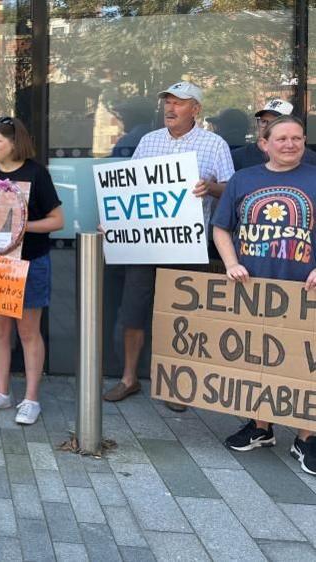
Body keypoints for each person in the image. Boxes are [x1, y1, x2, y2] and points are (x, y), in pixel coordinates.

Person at [102, 81, 234, 409]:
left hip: (188, 246)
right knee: (132, 311)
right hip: (146, 245)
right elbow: (132, 191)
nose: (170, 109)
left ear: (196, 109)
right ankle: (129, 378)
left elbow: (232, 191)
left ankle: (177, 386)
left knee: (182, 317)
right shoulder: (148, 141)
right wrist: (116, 220)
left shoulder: (214, 144)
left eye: (179, 103)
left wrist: (211, 187)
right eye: (168, 103)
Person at [211, 115, 315, 476]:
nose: (291, 144)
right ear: (264, 143)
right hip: (253, 287)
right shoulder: (244, 179)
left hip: (304, 290)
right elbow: (221, 227)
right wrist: (230, 263)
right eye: (282, 138)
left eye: (297, 138)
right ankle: (261, 426)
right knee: (256, 358)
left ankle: (307, 436)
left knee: (304, 362)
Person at [0, 118, 63, 425]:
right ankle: (2, 392)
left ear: (14, 142)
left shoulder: (36, 173)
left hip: (31, 260)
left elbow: (57, 220)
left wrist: (23, 227)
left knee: (28, 331)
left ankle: (31, 398)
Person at [231, 99, 316, 171]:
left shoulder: (310, 159)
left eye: (275, 122)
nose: (268, 126)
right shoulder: (237, 157)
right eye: (264, 121)